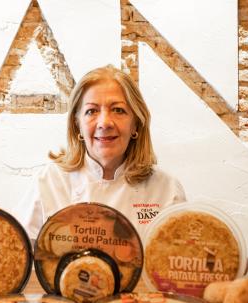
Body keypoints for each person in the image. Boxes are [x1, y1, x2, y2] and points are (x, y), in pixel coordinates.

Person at [15, 65, 186, 242]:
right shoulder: (49, 182)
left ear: (135, 123)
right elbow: (15, 254)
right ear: (77, 125)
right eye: (92, 111)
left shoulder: (166, 190)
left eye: (118, 110)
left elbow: (177, 259)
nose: (105, 123)